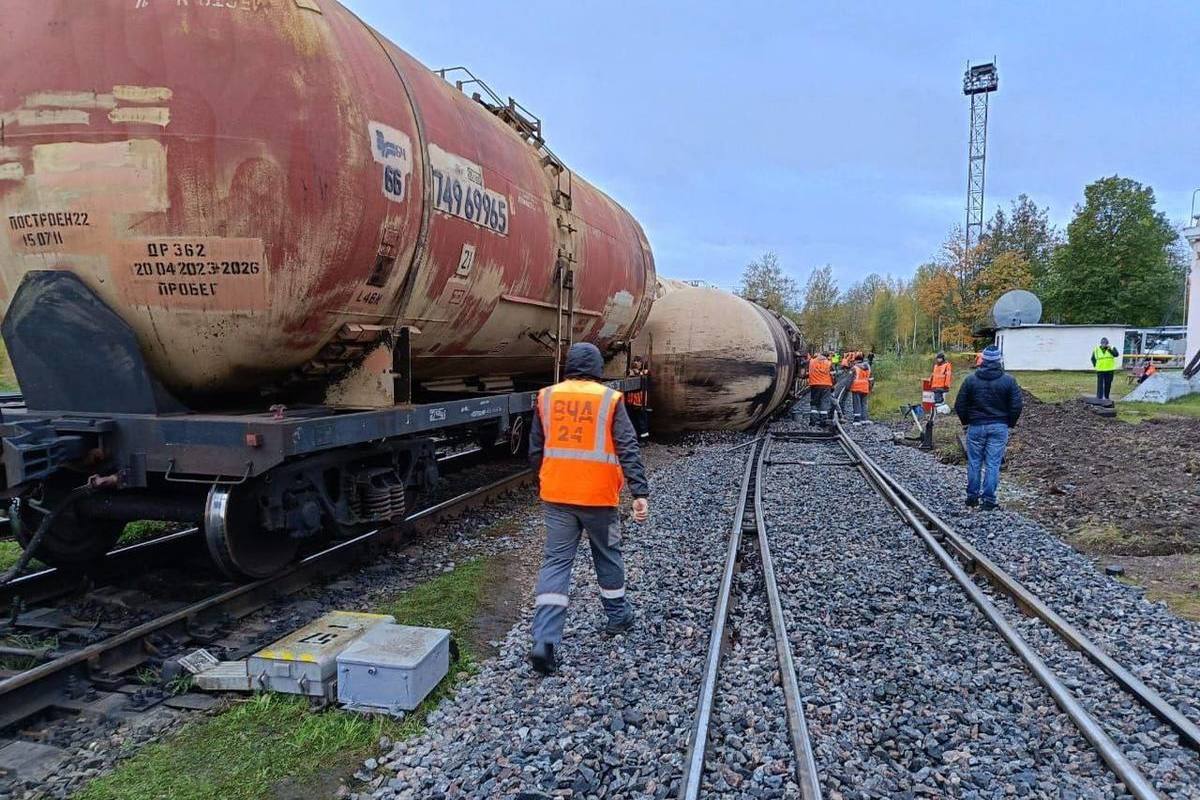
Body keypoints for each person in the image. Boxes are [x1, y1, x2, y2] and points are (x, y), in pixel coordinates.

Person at [527, 343, 650, 675]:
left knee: (555, 564)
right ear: (597, 369)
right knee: (609, 555)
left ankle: (545, 641)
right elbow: (628, 445)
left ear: (569, 367)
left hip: (557, 498)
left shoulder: (546, 397)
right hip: (601, 501)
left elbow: (535, 450)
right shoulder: (609, 399)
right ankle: (617, 618)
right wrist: (639, 492)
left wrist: (548, 479)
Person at [953, 345, 1022, 511]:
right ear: (998, 360)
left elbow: (959, 405)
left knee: (974, 462)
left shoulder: (970, 380)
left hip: (976, 426)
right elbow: (1016, 406)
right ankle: (989, 499)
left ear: (982, 360)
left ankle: (972, 496)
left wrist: (967, 422)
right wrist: (1009, 423)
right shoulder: (1009, 381)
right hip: (999, 427)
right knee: (993, 463)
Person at [625, 356, 651, 439]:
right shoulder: (629, 372)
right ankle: (634, 437)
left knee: (642, 421)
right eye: (635, 361)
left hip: (641, 402)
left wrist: (639, 373)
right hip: (631, 402)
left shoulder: (644, 373)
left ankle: (644, 439)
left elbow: (645, 375)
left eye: (638, 361)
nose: (636, 363)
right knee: (632, 420)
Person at [807, 351, 834, 426]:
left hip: (815, 384)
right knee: (824, 402)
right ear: (827, 356)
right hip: (826, 385)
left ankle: (813, 421)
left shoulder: (812, 362)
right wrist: (833, 385)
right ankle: (823, 420)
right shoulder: (828, 363)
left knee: (814, 402)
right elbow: (833, 375)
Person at [850, 359, 872, 424]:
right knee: (864, 403)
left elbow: (850, 378)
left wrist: (848, 387)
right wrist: (870, 388)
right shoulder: (868, 368)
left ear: (856, 361)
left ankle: (857, 420)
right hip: (865, 387)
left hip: (856, 388)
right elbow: (871, 379)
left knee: (856, 403)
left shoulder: (855, 368)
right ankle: (864, 419)